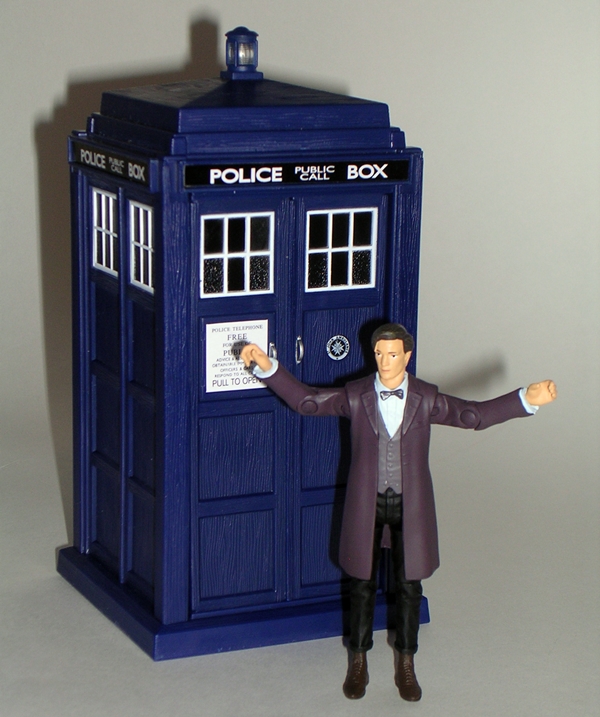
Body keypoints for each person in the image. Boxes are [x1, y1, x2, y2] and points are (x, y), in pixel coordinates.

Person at [240, 323, 556, 702]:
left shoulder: (425, 397)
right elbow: (308, 401)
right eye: (379, 354)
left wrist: (525, 400)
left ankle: (406, 662)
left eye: (393, 354)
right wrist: (268, 368)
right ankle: (358, 659)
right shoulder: (356, 395)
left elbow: (471, 415)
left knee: (409, 586)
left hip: (411, 505)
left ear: (407, 355)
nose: (385, 362)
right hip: (366, 504)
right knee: (361, 584)